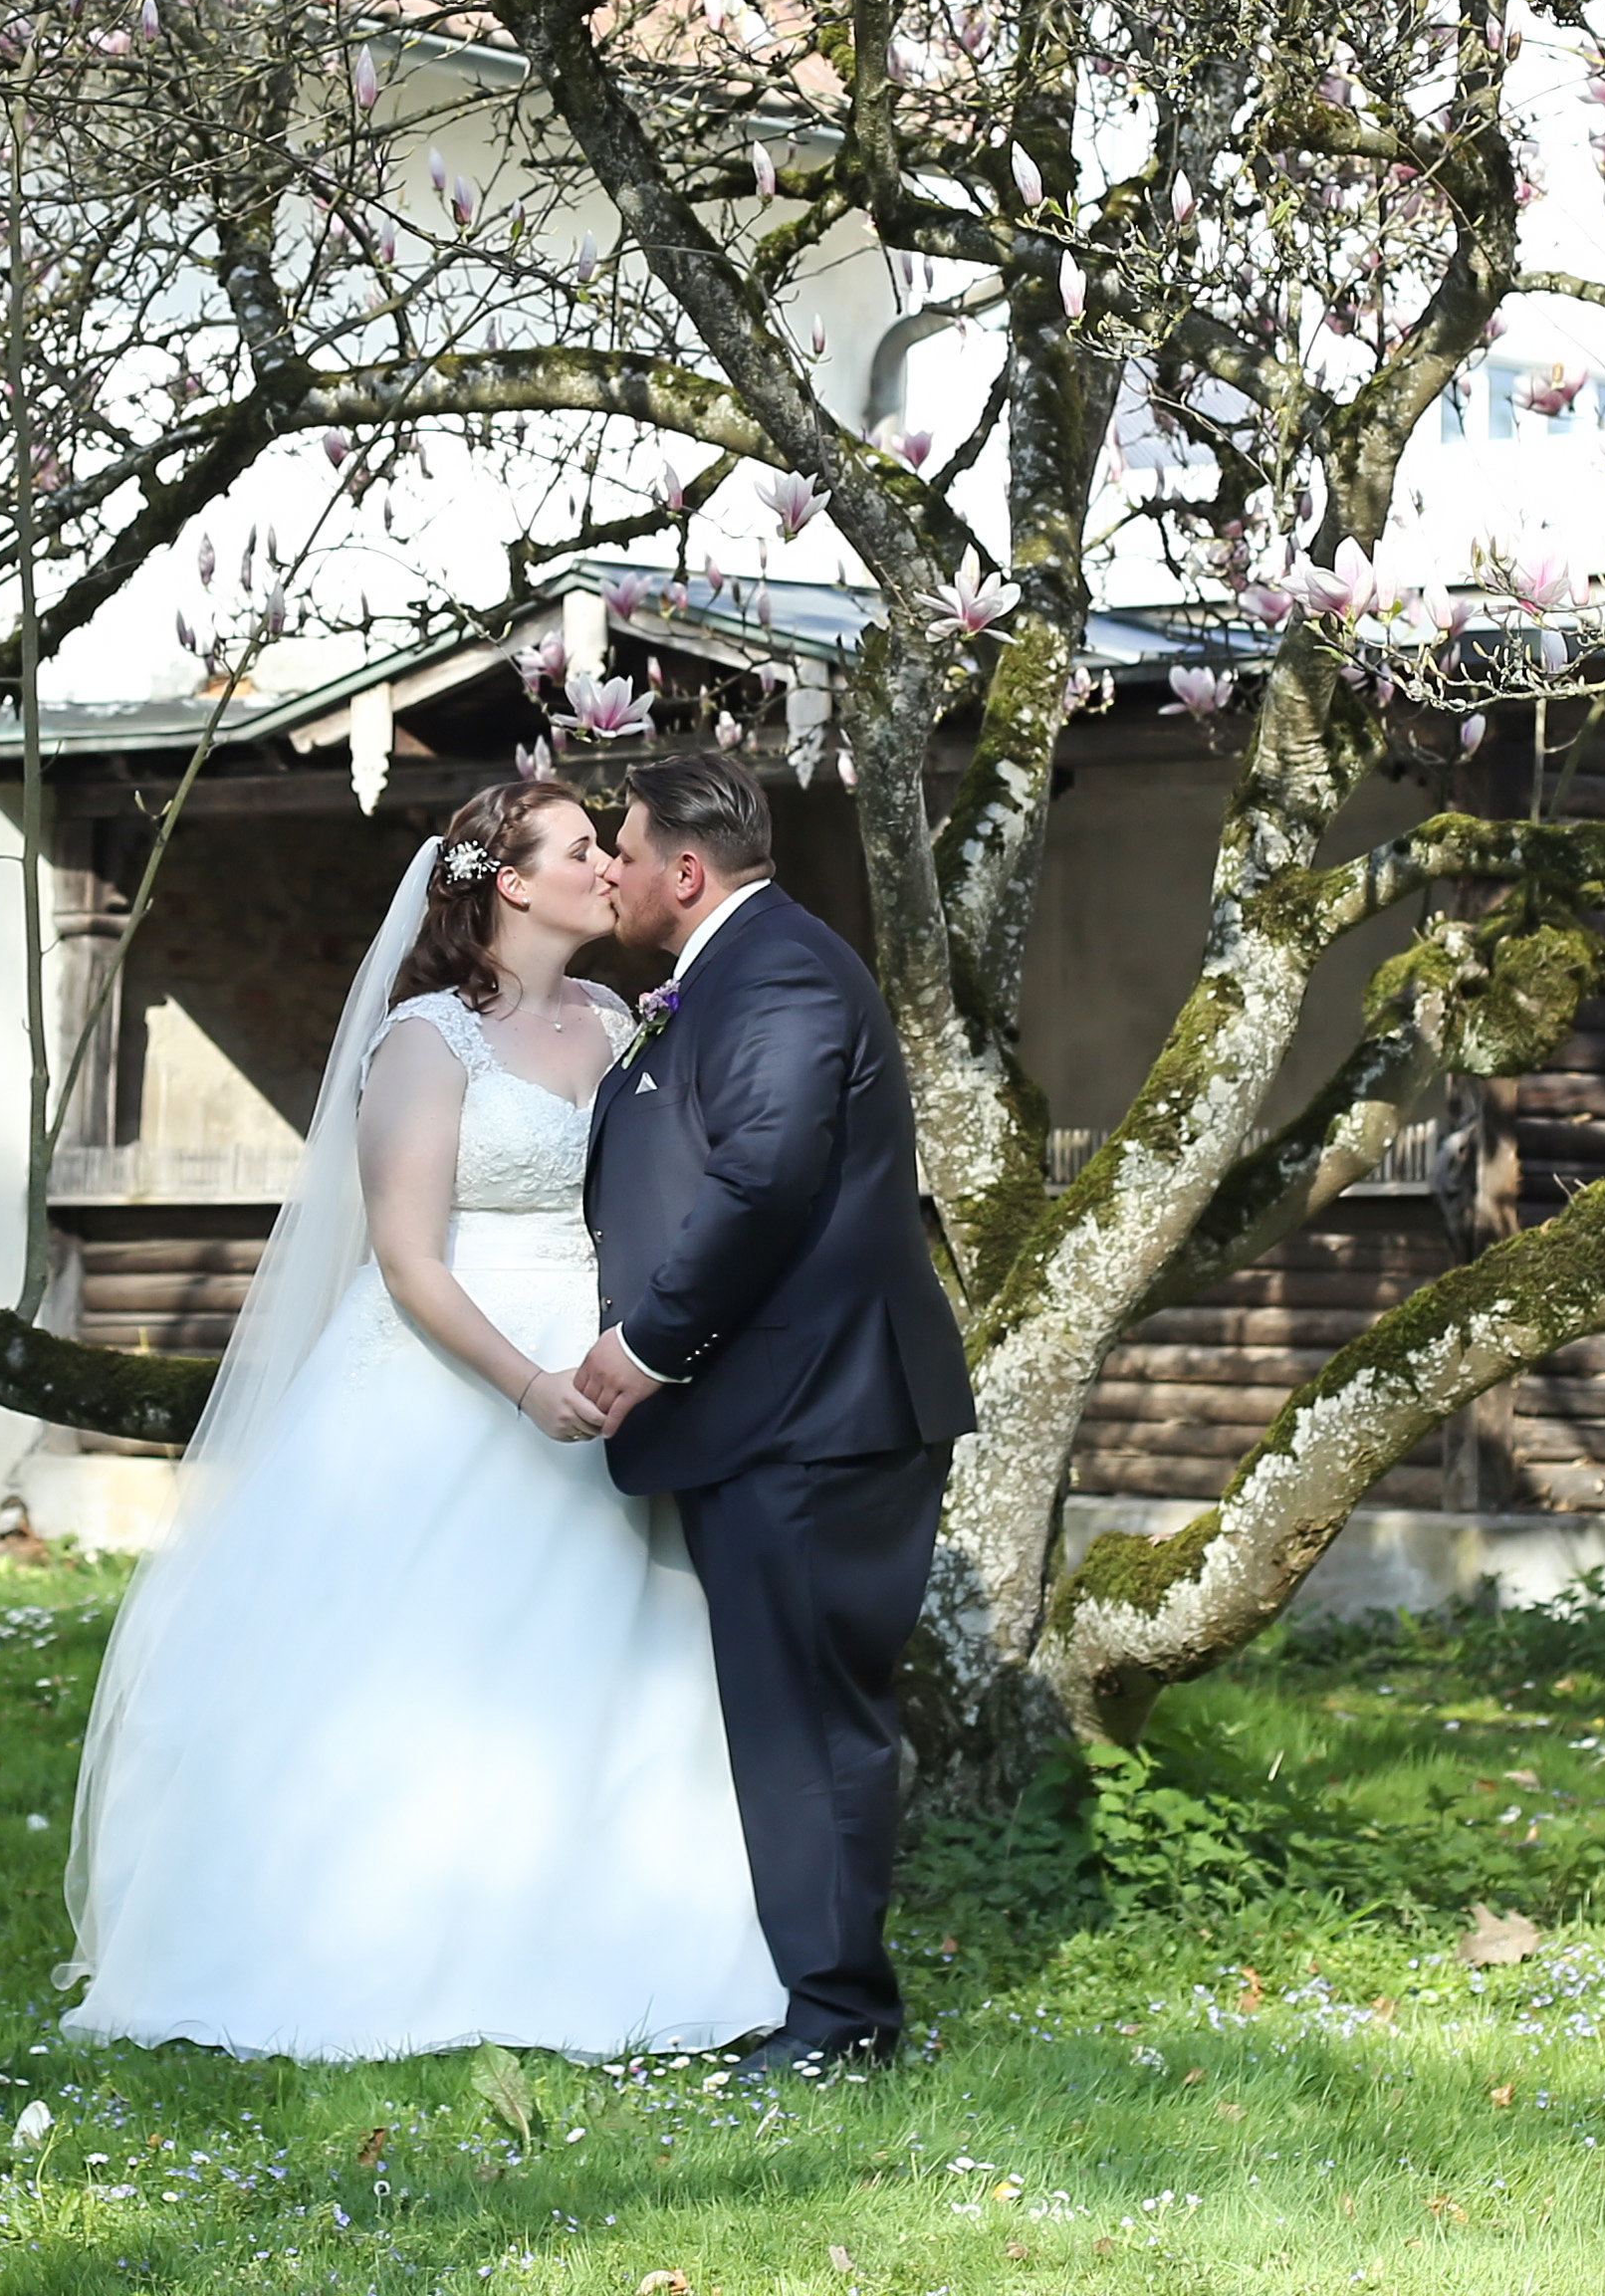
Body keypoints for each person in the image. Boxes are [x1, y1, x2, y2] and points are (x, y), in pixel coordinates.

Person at [60, 776, 784, 2060]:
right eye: (581, 849)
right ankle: (380, 1941)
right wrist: (528, 1385)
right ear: (512, 883)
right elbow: (406, 1260)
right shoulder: (427, 1041)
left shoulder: (621, 1018)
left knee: (611, 1654)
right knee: (427, 1654)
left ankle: (616, 1941)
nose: (609, 866)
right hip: (461, 1373)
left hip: (609, 1362)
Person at [568, 747, 979, 2083]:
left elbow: (766, 1178)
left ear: (687, 872)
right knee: (782, 1712)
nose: (611, 873)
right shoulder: (726, 972)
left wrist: (648, 1342)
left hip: (815, 1413)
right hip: (775, 1410)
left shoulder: (782, 974)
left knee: (809, 1721)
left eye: (624, 851)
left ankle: (841, 2022)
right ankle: (804, 1990)